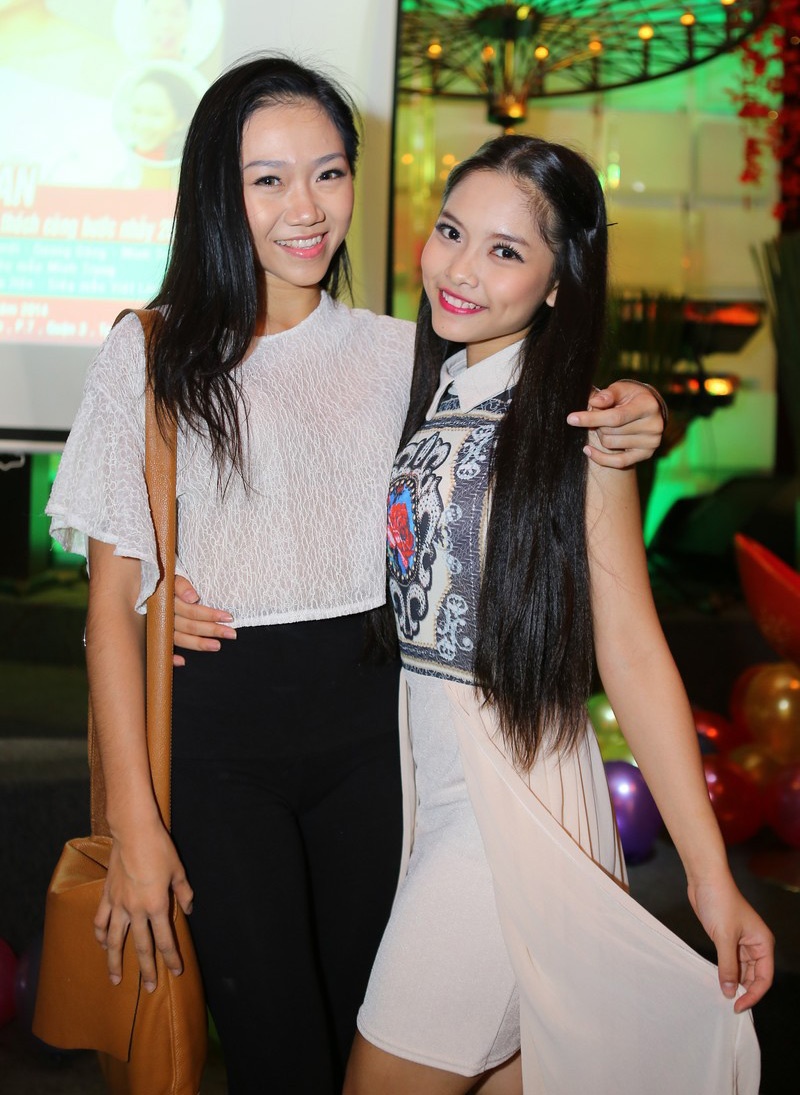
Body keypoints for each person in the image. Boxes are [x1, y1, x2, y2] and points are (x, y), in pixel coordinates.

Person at [47, 56, 666, 1094]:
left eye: (328, 173)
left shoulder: (405, 352)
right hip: (220, 750)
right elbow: (111, 609)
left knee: (372, 1040)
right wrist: (136, 825)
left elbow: (539, 392)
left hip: (377, 744)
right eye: (268, 179)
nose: (306, 208)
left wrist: (640, 408)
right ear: (217, 192)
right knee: (276, 1053)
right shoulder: (148, 357)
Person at [334, 135, 773, 1095]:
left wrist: (710, 878)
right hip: (437, 794)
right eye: (452, 232)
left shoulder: (578, 422)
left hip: (514, 809)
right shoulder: (435, 383)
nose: (460, 269)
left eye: (505, 251)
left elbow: (631, 648)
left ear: (560, 281)